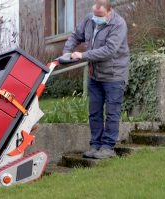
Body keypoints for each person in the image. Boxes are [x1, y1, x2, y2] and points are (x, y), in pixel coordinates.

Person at [63, 0, 130, 159]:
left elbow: (109, 50)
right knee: (94, 112)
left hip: (114, 75)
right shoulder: (89, 19)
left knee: (112, 113)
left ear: (109, 11)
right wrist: (67, 52)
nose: (96, 17)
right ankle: (95, 145)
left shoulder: (118, 24)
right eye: (95, 14)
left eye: (100, 15)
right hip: (95, 75)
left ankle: (108, 147)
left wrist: (83, 55)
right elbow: (75, 36)